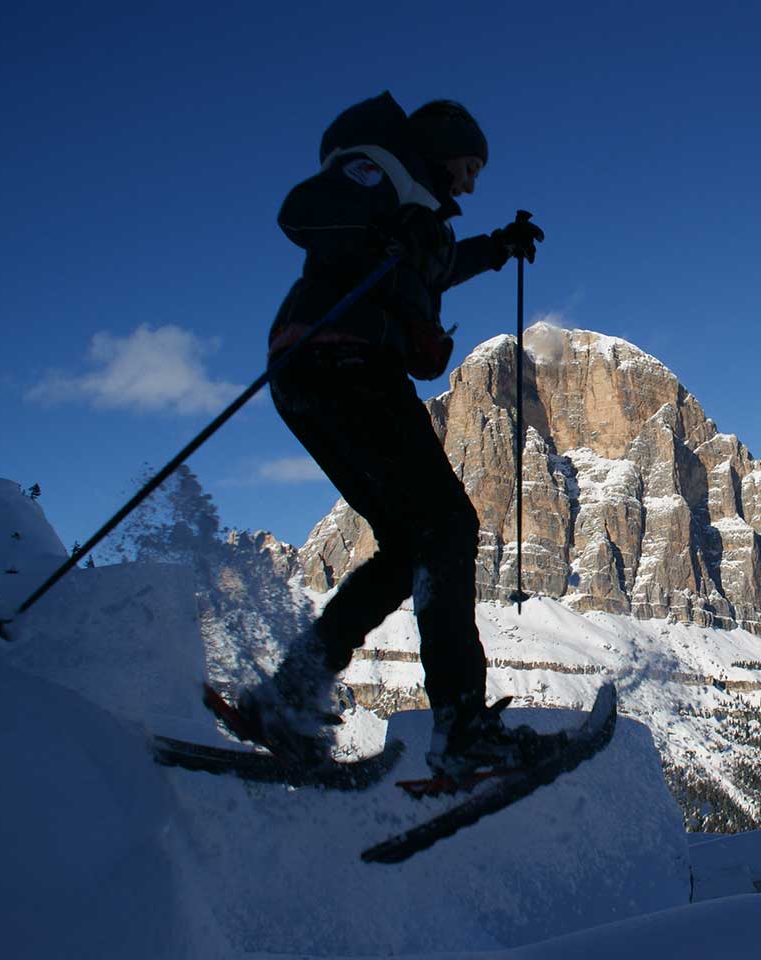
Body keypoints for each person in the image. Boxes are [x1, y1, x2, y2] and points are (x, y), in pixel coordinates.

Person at [237, 92, 547, 778]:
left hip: (319, 376)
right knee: (447, 527)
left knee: (411, 546)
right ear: (442, 148)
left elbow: (435, 265)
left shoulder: (415, 215)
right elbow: (302, 212)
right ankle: (462, 728)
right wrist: (379, 234)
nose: (471, 184)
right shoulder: (377, 171)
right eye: (470, 166)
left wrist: (498, 247)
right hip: (342, 366)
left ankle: (286, 699)